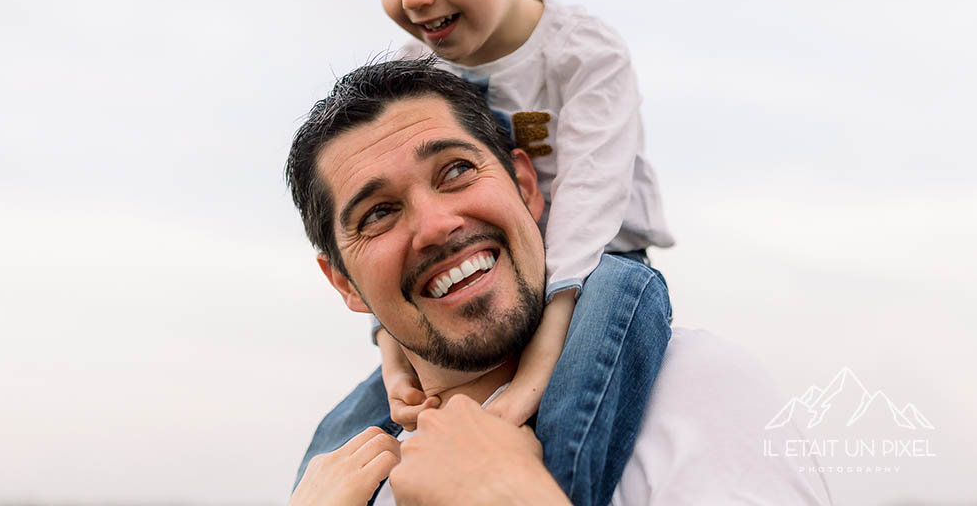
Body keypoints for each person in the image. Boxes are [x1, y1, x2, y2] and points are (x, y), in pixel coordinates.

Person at [285, 59, 832, 505]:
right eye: (378, 213)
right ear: (344, 284)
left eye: (455, 170)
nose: (435, 226)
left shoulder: (693, 387)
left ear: (526, 185)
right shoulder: (342, 485)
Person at [338, 0, 675, 490]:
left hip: (599, 262)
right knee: (349, 431)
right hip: (482, 274)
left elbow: (588, 205)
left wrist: (529, 382)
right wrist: (392, 353)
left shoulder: (584, 56)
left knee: (588, 358)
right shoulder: (415, 77)